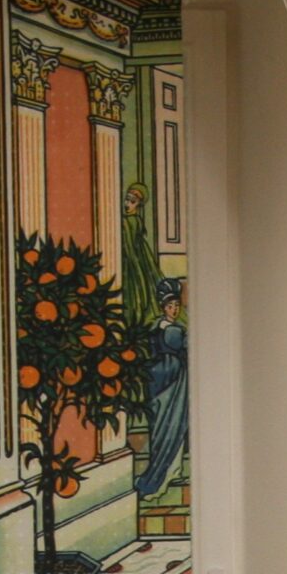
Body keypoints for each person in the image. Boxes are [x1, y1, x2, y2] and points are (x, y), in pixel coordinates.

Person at [135, 277, 190, 498]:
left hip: (171, 382)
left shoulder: (168, 328)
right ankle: (160, 477)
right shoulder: (166, 330)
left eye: (176, 305)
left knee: (173, 426)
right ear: (163, 307)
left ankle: (173, 471)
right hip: (165, 383)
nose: (174, 309)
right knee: (165, 427)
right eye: (170, 306)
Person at [120, 183, 167, 330]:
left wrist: (134, 262)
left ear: (138, 205)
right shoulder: (130, 219)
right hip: (134, 256)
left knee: (140, 286)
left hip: (135, 257)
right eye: (127, 200)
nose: (128, 204)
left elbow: (129, 244)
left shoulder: (130, 220)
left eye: (132, 201)